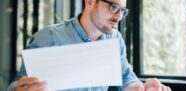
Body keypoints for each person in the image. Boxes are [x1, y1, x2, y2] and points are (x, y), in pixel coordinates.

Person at [8, 0, 171, 91]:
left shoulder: (115, 39)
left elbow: (126, 77)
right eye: (113, 7)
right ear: (90, 2)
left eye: (122, 10)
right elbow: (18, 84)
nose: (118, 16)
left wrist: (141, 88)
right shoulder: (49, 37)